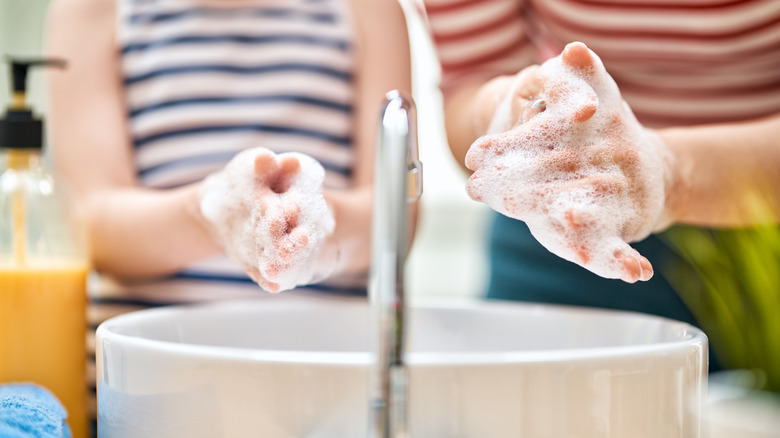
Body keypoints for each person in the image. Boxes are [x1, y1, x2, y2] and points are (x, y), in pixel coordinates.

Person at [45, 0, 411, 434]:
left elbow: (395, 217)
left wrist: (314, 224)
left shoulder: (368, 9)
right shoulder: (91, 9)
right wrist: (210, 216)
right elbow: (94, 223)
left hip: (326, 397)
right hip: (155, 396)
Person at [422, 0, 780, 368]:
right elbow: (473, 78)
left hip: (765, 242)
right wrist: (510, 109)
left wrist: (672, 174)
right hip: (565, 234)